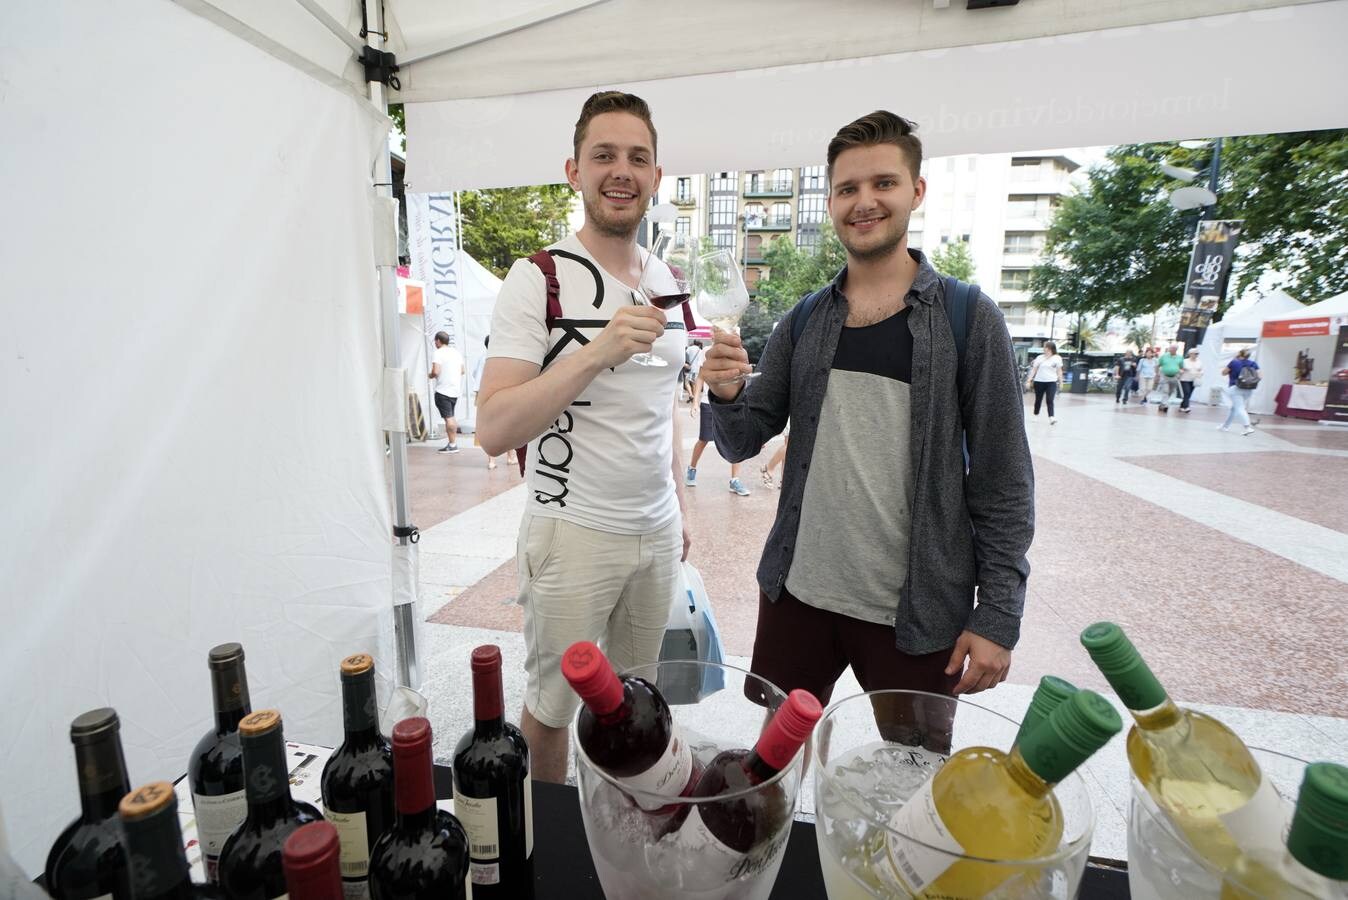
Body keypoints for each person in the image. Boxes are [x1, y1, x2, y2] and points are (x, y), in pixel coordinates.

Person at [698, 111, 1033, 729]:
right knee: (776, 760)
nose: (865, 202)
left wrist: (997, 617)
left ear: (916, 192)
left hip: (918, 611)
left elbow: (1004, 479)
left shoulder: (968, 318)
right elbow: (744, 438)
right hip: (798, 595)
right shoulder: (804, 321)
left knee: (911, 778)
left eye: (883, 183)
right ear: (831, 201)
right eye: (848, 189)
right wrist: (723, 395)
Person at [474, 91, 689, 784]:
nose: (620, 171)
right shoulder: (537, 277)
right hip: (572, 531)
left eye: (637, 158)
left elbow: (663, 405)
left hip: (655, 534)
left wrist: (678, 502)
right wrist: (595, 352)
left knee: (633, 705)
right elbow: (493, 427)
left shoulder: (668, 279)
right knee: (554, 707)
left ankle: (621, 830)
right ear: (574, 170)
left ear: (657, 176)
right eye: (604, 155)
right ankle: (554, 850)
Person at [686, 368, 751, 495]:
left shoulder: (736, 351)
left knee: (736, 441)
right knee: (704, 439)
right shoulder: (706, 352)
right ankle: (692, 468)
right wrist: (695, 402)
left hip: (730, 403)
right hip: (708, 403)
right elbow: (700, 377)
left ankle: (735, 480)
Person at [472, 335, 517, 471]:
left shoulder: (482, 358)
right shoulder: (500, 358)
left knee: (489, 427)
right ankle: (510, 457)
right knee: (507, 426)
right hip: (500, 395)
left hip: (483, 396)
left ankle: (492, 461)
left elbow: (476, 376)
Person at [430, 331, 464, 452]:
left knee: (448, 418)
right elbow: (462, 370)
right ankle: (452, 443)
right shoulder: (456, 353)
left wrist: (430, 375)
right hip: (454, 390)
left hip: (443, 390)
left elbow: (436, 371)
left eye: (435, 341)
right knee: (451, 417)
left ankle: (453, 444)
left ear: (438, 340)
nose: (435, 343)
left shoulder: (438, 353)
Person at [1220, 348, 1259, 435]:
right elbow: (1260, 376)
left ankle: (1247, 427)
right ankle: (1225, 426)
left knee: (1239, 408)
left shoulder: (1234, 362)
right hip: (1249, 389)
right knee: (1234, 408)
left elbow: (1223, 372)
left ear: (1239, 354)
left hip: (1235, 388)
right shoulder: (1253, 364)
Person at [1026, 341, 1063, 424]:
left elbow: (1059, 371)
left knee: (1050, 399)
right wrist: (1029, 380)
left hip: (1051, 382)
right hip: (1039, 381)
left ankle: (1051, 417)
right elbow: (1034, 370)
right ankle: (1035, 415)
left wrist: (1061, 382)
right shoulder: (1039, 357)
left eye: (1045, 347)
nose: (1044, 348)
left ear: (1050, 348)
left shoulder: (1057, 358)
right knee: (1038, 399)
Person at [1155, 343, 1184, 414]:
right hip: (1165, 376)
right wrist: (1157, 374)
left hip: (1174, 377)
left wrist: (1180, 373)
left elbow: (1181, 367)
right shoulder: (1164, 356)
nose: (1171, 350)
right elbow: (1157, 365)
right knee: (1166, 391)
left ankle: (1162, 404)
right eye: (1170, 348)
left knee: (1170, 392)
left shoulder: (1180, 357)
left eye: (1173, 349)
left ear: (1176, 350)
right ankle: (1165, 405)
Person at [1179, 347, 1203, 413]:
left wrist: (1200, 373)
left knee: (1189, 394)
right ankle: (1186, 406)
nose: (1196, 355)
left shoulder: (1199, 362)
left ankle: (1182, 406)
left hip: (1194, 380)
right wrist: (1182, 371)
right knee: (1187, 392)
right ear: (1190, 354)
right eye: (1194, 353)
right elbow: (1180, 369)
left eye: (1197, 354)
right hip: (1185, 379)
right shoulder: (1185, 361)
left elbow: (1202, 370)